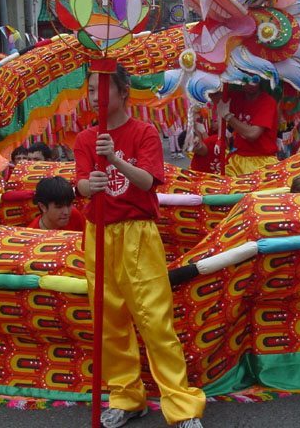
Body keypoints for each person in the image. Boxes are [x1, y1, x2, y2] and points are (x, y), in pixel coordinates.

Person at [74, 64, 205, 428]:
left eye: (102, 90)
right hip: (98, 234)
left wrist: (114, 159)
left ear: (123, 92)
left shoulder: (144, 132)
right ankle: (126, 397)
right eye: (90, 91)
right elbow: (80, 184)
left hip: (137, 234)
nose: (95, 98)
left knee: (155, 320)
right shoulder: (85, 139)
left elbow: (148, 181)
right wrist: (89, 186)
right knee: (109, 321)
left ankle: (182, 406)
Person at [218, 79, 280, 176]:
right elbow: (212, 96)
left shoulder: (268, 102)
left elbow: (252, 134)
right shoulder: (237, 97)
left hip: (262, 161)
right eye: (246, 79)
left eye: (254, 79)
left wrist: (228, 116)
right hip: (237, 161)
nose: (250, 83)